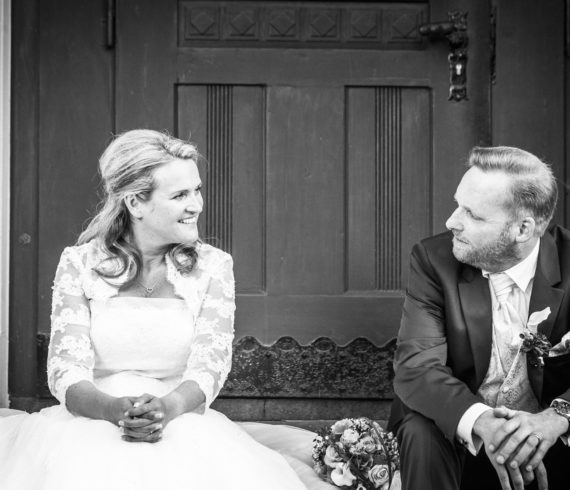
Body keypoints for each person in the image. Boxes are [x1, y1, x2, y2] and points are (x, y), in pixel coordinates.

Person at [0, 129, 317, 489]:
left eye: (197, 190)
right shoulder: (79, 263)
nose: (196, 205)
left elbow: (210, 365)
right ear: (136, 203)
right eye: (180, 195)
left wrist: (167, 408)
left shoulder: (214, 266)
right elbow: (65, 369)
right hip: (90, 420)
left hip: (180, 420)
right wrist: (114, 410)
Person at [388, 146, 570, 490]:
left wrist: (557, 417)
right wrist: (484, 422)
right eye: (458, 204)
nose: (452, 222)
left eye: (472, 214)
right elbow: (417, 367)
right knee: (419, 429)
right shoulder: (433, 259)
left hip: (550, 442)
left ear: (523, 229)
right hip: (457, 438)